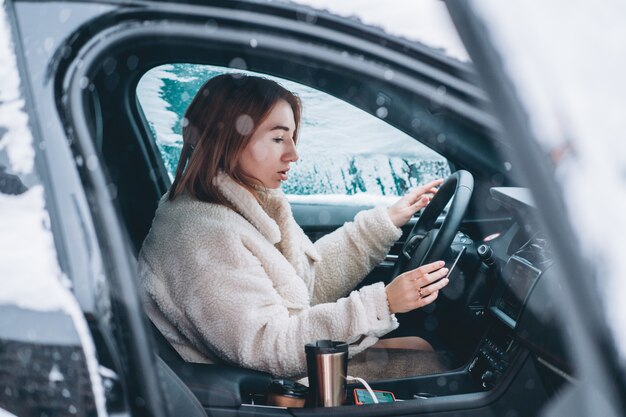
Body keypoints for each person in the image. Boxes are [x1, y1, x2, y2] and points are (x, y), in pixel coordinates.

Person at [138, 73, 450, 379]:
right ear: (229, 140)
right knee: (437, 368)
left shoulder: (240, 205)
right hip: (259, 393)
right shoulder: (202, 234)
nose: (293, 154)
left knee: (419, 349)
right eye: (277, 139)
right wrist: (383, 303)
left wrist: (385, 222)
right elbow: (267, 346)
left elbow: (302, 285)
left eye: (292, 138)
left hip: (273, 374)